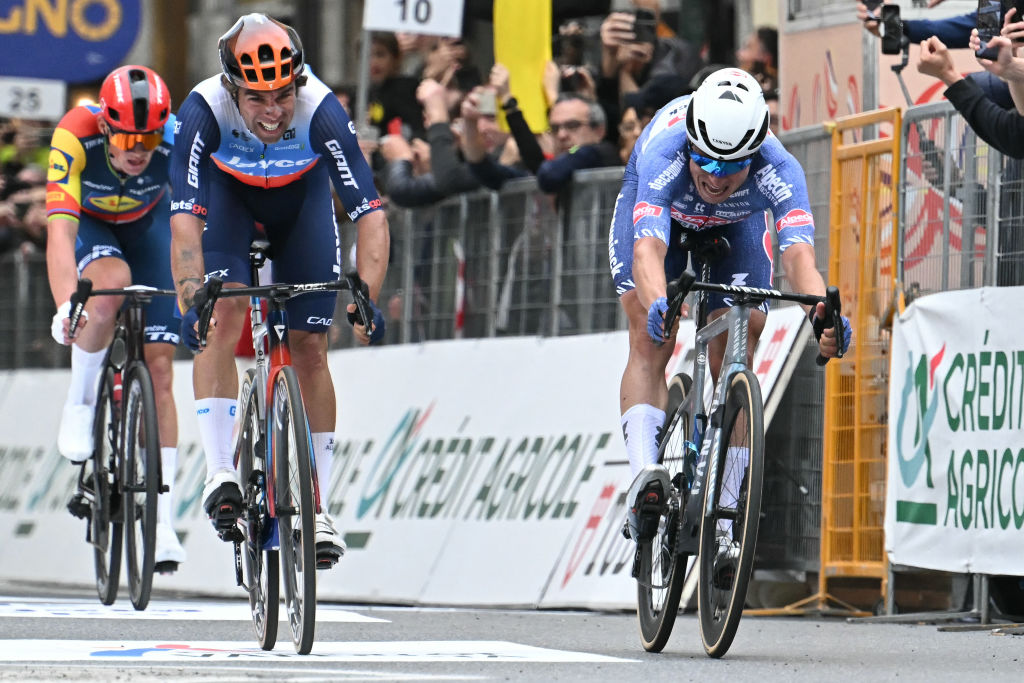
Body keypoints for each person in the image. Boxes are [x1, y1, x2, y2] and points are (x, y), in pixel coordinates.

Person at [168, 13, 389, 568]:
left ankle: (318, 507)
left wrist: (368, 297)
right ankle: (221, 470)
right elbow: (185, 223)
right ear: (232, 88)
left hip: (301, 204)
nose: (273, 112)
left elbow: (369, 213)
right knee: (224, 315)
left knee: (312, 346)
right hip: (229, 202)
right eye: (258, 99)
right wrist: (193, 293)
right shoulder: (202, 109)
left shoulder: (322, 109)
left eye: (283, 95)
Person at [608, 68, 852, 543]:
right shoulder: (666, 151)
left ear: (755, 153)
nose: (715, 177)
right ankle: (644, 480)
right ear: (690, 146)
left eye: (731, 166)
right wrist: (660, 303)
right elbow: (647, 252)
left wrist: (821, 314)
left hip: (734, 228)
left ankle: (726, 509)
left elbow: (800, 258)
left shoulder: (779, 170)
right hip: (666, 224)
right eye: (705, 162)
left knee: (745, 332)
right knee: (648, 331)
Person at [46, 65, 186, 569]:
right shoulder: (74, 134)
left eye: (148, 138)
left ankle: (165, 520)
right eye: (127, 135)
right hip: (93, 226)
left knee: (163, 367)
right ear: (105, 125)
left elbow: (200, 216)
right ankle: (81, 399)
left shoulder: (176, 140)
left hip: (149, 227)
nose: (138, 149)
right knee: (109, 290)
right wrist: (68, 304)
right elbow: (59, 233)